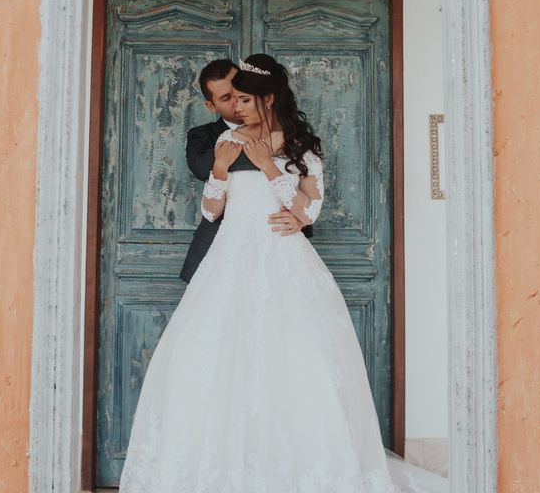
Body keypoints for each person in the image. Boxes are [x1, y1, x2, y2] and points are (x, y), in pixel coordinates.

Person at [120, 54, 445, 493]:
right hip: (228, 259)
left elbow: (309, 210)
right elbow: (211, 210)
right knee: (213, 359)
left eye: (244, 99)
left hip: (284, 258)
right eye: (233, 100)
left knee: (297, 360)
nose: (238, 107)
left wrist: (270, 167)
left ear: (268, 98)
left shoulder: (299, 146)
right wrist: (220, 168)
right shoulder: (226, 139)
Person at [180, 59, 310, 284]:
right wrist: (265, 148)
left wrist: (302, 219)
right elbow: (201, 167)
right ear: (211, 106)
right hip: (219, 249)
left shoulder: (292, 134)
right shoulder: (203, 135)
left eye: (240, 92)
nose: (237, 103)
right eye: (226, 98)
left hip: (280, 246)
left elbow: (305, 185)